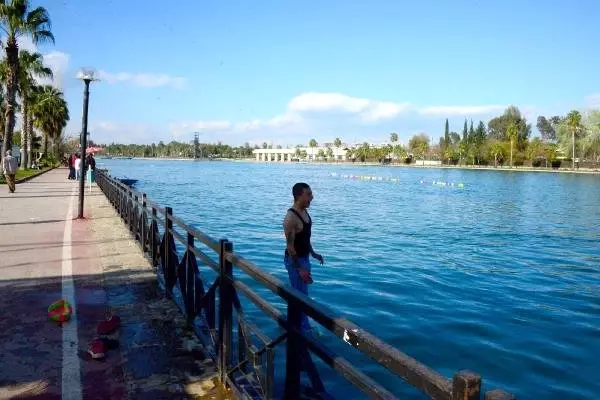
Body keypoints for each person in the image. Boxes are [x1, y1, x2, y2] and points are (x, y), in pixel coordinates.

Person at [283, 182, 324, 334]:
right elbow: (290, 246)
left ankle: (301, 326)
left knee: (303, 295)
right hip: (296, 262)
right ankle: (301, 331)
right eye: (309, 194)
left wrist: (313, 253)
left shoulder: (305, 213)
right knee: (299, 297)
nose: (312, 197)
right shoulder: (290, 218)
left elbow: (305, 238)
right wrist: (299, 269)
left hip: (304, 259)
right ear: (299, 196)